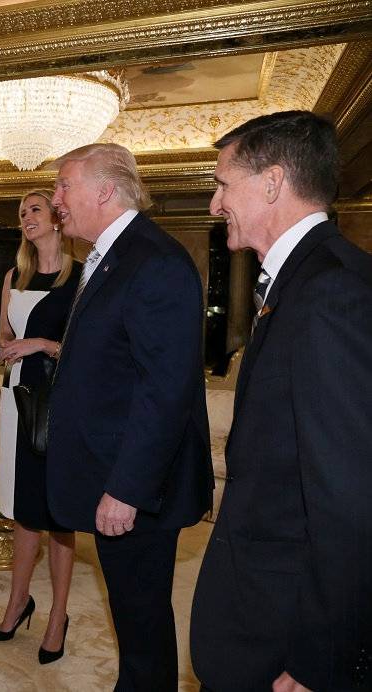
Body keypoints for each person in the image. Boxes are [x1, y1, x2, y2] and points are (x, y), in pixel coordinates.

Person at [190, 110, 372, 692]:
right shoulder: (305, 280)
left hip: (288, 617)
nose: (215, 205)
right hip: (263, 589)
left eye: (222, 184)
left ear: (271, 183)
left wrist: (320, 657)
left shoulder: (331, 293)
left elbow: (349, 498)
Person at [46, 143, 213, 690]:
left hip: (136, 488)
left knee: (142, 623)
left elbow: (165, 392)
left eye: (63, 186)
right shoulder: (116, 256)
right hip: (114, 474)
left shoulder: (154, 261)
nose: (55, 200)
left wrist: (126, 490)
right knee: (134, 618)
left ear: (104, 190)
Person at [0, 190, 80, 663]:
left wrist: (41, 343)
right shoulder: (13, 275)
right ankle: (17, 602)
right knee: (25, 510)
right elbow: (4, 334)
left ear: (57, 218)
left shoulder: (80, 276)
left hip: (60, 404)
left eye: (35, 210)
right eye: (21, 212)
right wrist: (8, 345)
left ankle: (58, 616)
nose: (26, 217)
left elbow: (85, 351)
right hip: (17, 399)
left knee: (59, 515)